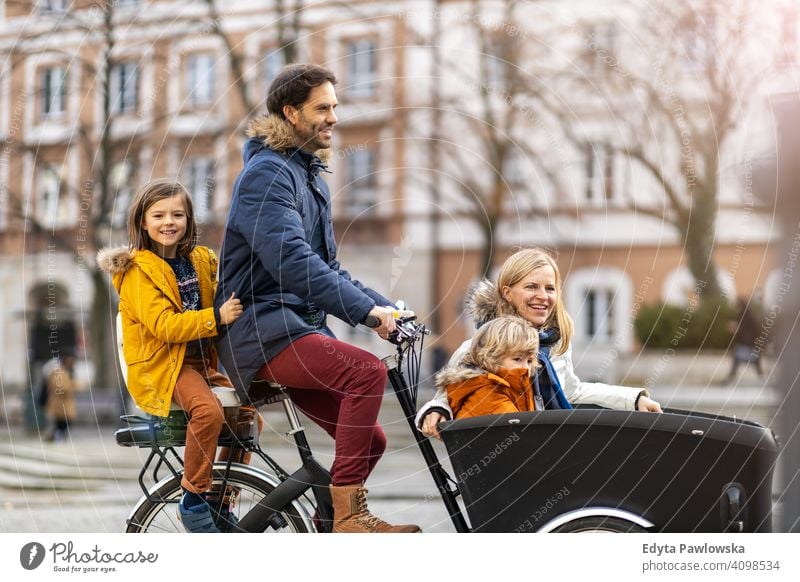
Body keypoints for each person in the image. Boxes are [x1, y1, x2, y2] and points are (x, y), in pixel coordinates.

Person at [215, 63, 420, 533]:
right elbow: (290, 260)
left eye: (335, 106)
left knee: (371, 443)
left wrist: (388, 307)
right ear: (291, 112)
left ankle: (325, 527)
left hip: (294, 328)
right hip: (261, 330)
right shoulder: (267, 177)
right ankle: (350, 518)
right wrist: (365, 315)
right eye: (322, 108)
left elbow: (327, 267)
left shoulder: (308, 178)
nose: (333, 116)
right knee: (364, 371)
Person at [98, 179, 261, 534]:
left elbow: (230, 285)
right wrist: (216, 318)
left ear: (189, 219)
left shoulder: (200, 260)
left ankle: (221, 500)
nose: (168, 222)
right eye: (158, 215)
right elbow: (165, 326)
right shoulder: (137, 271)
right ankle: (193, 498)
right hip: (165, 366)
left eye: (177, 214)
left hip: (202, 362)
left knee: (249, 417)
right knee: (207, 411)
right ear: (142, 221)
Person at [417, 248, 663, 439]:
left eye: (550, 288)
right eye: (531, 287)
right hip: (507, 455)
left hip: (542, 442)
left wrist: (632, 399)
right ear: (506, 292)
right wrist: (436, 410)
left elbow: (571, 391)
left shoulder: (553, 344)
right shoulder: (483, 345)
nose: (543, 296)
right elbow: (451, 391)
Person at [439, 316, 539, 419]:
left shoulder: (509, 387)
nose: (526, 367)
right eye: (517, 359)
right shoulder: (489, 393)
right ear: (491, 356)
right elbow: (520, 431)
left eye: (530, 361)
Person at [724, 297, 765, 383]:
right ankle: (760, 375)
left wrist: (737, 329)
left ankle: (732, 375)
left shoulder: (746, 316)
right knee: (739, 356)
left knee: (737, 355)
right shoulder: (748, 315)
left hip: (750, 348)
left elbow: (747, 332)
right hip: (752, 348)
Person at [41, 347, 77, 442]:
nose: (72, 363)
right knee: (59, 424)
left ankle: (56, 438)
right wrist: (72, 386)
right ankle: (54, 438)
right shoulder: (57, 371)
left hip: (65, 405)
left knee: (65, 424)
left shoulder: (67, 371)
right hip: (58, 405)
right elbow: (60, 387)